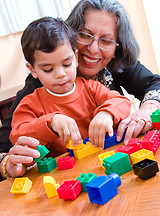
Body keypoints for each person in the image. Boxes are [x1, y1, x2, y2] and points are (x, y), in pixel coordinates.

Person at [0, 0, 160, 179]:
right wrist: (9, 163)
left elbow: (129, 97)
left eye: (106, 40)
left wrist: (142, 109)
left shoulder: (94, 84)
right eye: (85, 35)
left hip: (111, 164)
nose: (93, 49)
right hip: (67, 175)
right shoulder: (34, 94)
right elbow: (13, 137)